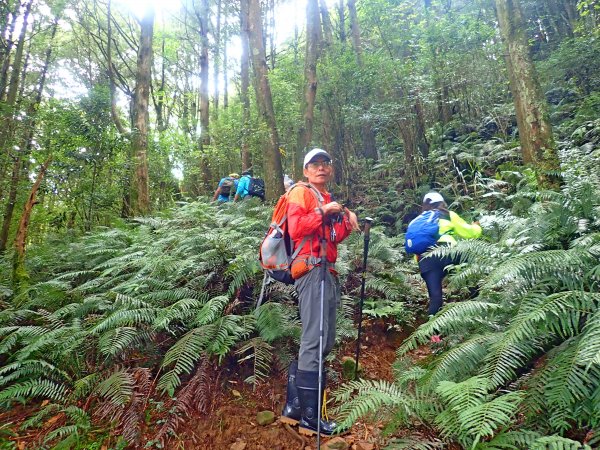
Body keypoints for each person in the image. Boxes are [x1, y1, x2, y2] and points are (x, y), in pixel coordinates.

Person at [280, 148, 360, 436]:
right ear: (305, 170)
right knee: (315, 341)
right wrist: (322, 212)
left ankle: (294, 406)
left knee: (323, 341)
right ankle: (310, 418)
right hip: (311, 270)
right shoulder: (301, 193)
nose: (321, 168)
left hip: (326, 271)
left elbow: (333, 237)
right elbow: (297, 228)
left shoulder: (325, 198)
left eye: (325, 163)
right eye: (314, 164)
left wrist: (347, 222)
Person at [416, 192, 481, 316]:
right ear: (442, 203)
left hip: (425, 259)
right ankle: (475, 300)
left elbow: (416, 245)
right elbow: (471, 233)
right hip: (447, 252)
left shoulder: (418, 221)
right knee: (470, 268)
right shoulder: (447, 215)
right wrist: (476, 226)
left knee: (435, 299)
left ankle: (431, 334)